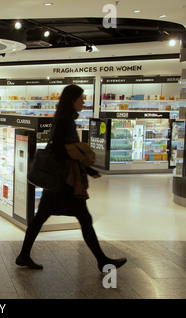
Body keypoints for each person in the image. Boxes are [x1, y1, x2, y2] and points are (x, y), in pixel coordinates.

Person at [16, 84, 127, 273]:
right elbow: (60, 149)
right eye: (81, 98)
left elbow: (63, 149)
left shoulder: (64, 118)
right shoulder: (66, 120)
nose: (84, 101)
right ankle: (102, 261)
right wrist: (83, 160)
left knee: (42, 218)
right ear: (72, 99)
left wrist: (88, 169)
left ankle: (24, 255)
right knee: (84, 219)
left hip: (59, 181)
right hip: (65, 181)